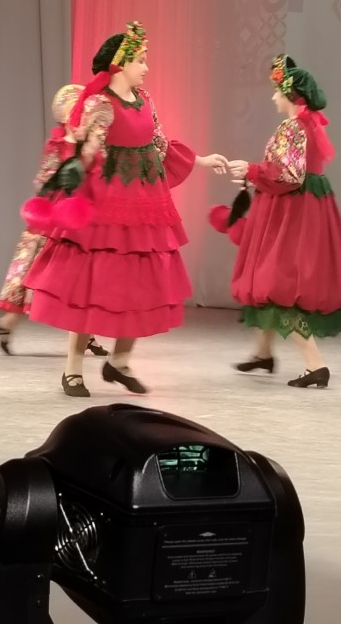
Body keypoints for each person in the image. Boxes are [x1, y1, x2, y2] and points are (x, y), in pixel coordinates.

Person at [24, 21, 229, 397]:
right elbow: (87, 150)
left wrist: (201, 160)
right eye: (141, 60)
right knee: (90, 284)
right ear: (120, 64)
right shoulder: (100, 104)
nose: (147, 67)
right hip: (107, 203)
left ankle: (119, 362)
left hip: (144, 202)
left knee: (141, 281)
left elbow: (160, 145)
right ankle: (73, 370)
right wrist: (71, 171)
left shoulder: (144, 99)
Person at [216, 54, 341, 388]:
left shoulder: (293, 126)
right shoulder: (310, 124)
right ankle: (263, 353)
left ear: (291, 95)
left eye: (277, 92)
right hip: (305, 208)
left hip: (291, 212)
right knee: (274, 279)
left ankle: (315, 365)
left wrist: (251, 169)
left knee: (277, 285)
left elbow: (288, 175)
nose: (273, 98)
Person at [0, 83, 107, 358]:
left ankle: (87, 334)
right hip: (56, 218)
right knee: (33, 274)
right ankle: (7, 322)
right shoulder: (56, 145)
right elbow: (44, 180)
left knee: (82, 277)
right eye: (77, 111)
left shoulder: (92, 146)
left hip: (84, 219)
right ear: (66, 114)